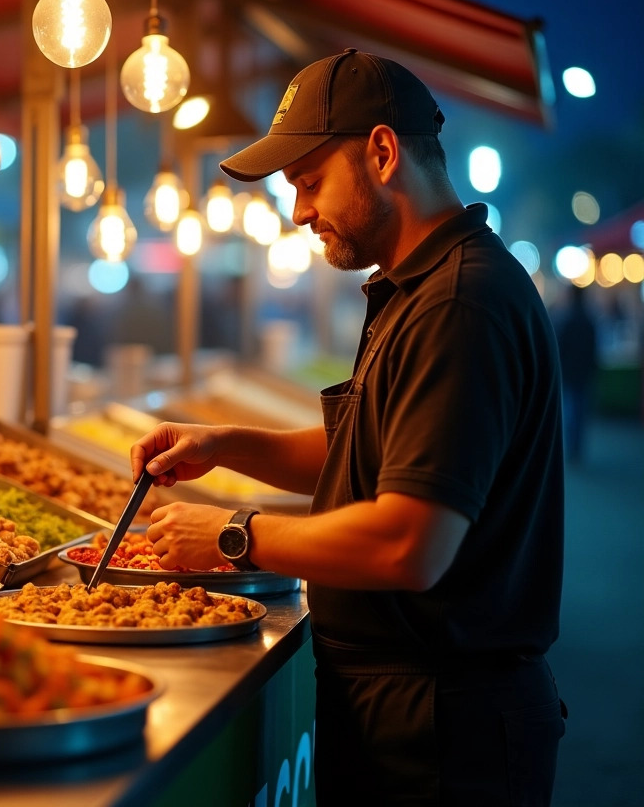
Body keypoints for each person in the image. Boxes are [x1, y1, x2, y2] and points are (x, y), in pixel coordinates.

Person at [130, 49, 565, 804]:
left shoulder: (460, 304)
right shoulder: (413, 286)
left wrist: (235, 533)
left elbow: (409, 542)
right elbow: (368, 452)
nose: (298, 212)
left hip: (445, 726)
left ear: (383, 152)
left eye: (308, 183)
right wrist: (225, 444)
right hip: (404, 703)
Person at [553, 283, 599, 464]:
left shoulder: (567, 319)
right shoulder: (589, 320)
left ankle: (572, 448)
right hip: (584, 373)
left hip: (570, 373)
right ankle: (577, 448)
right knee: (580, 412)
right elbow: (594, 349)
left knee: (570, 411)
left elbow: (560, 348)